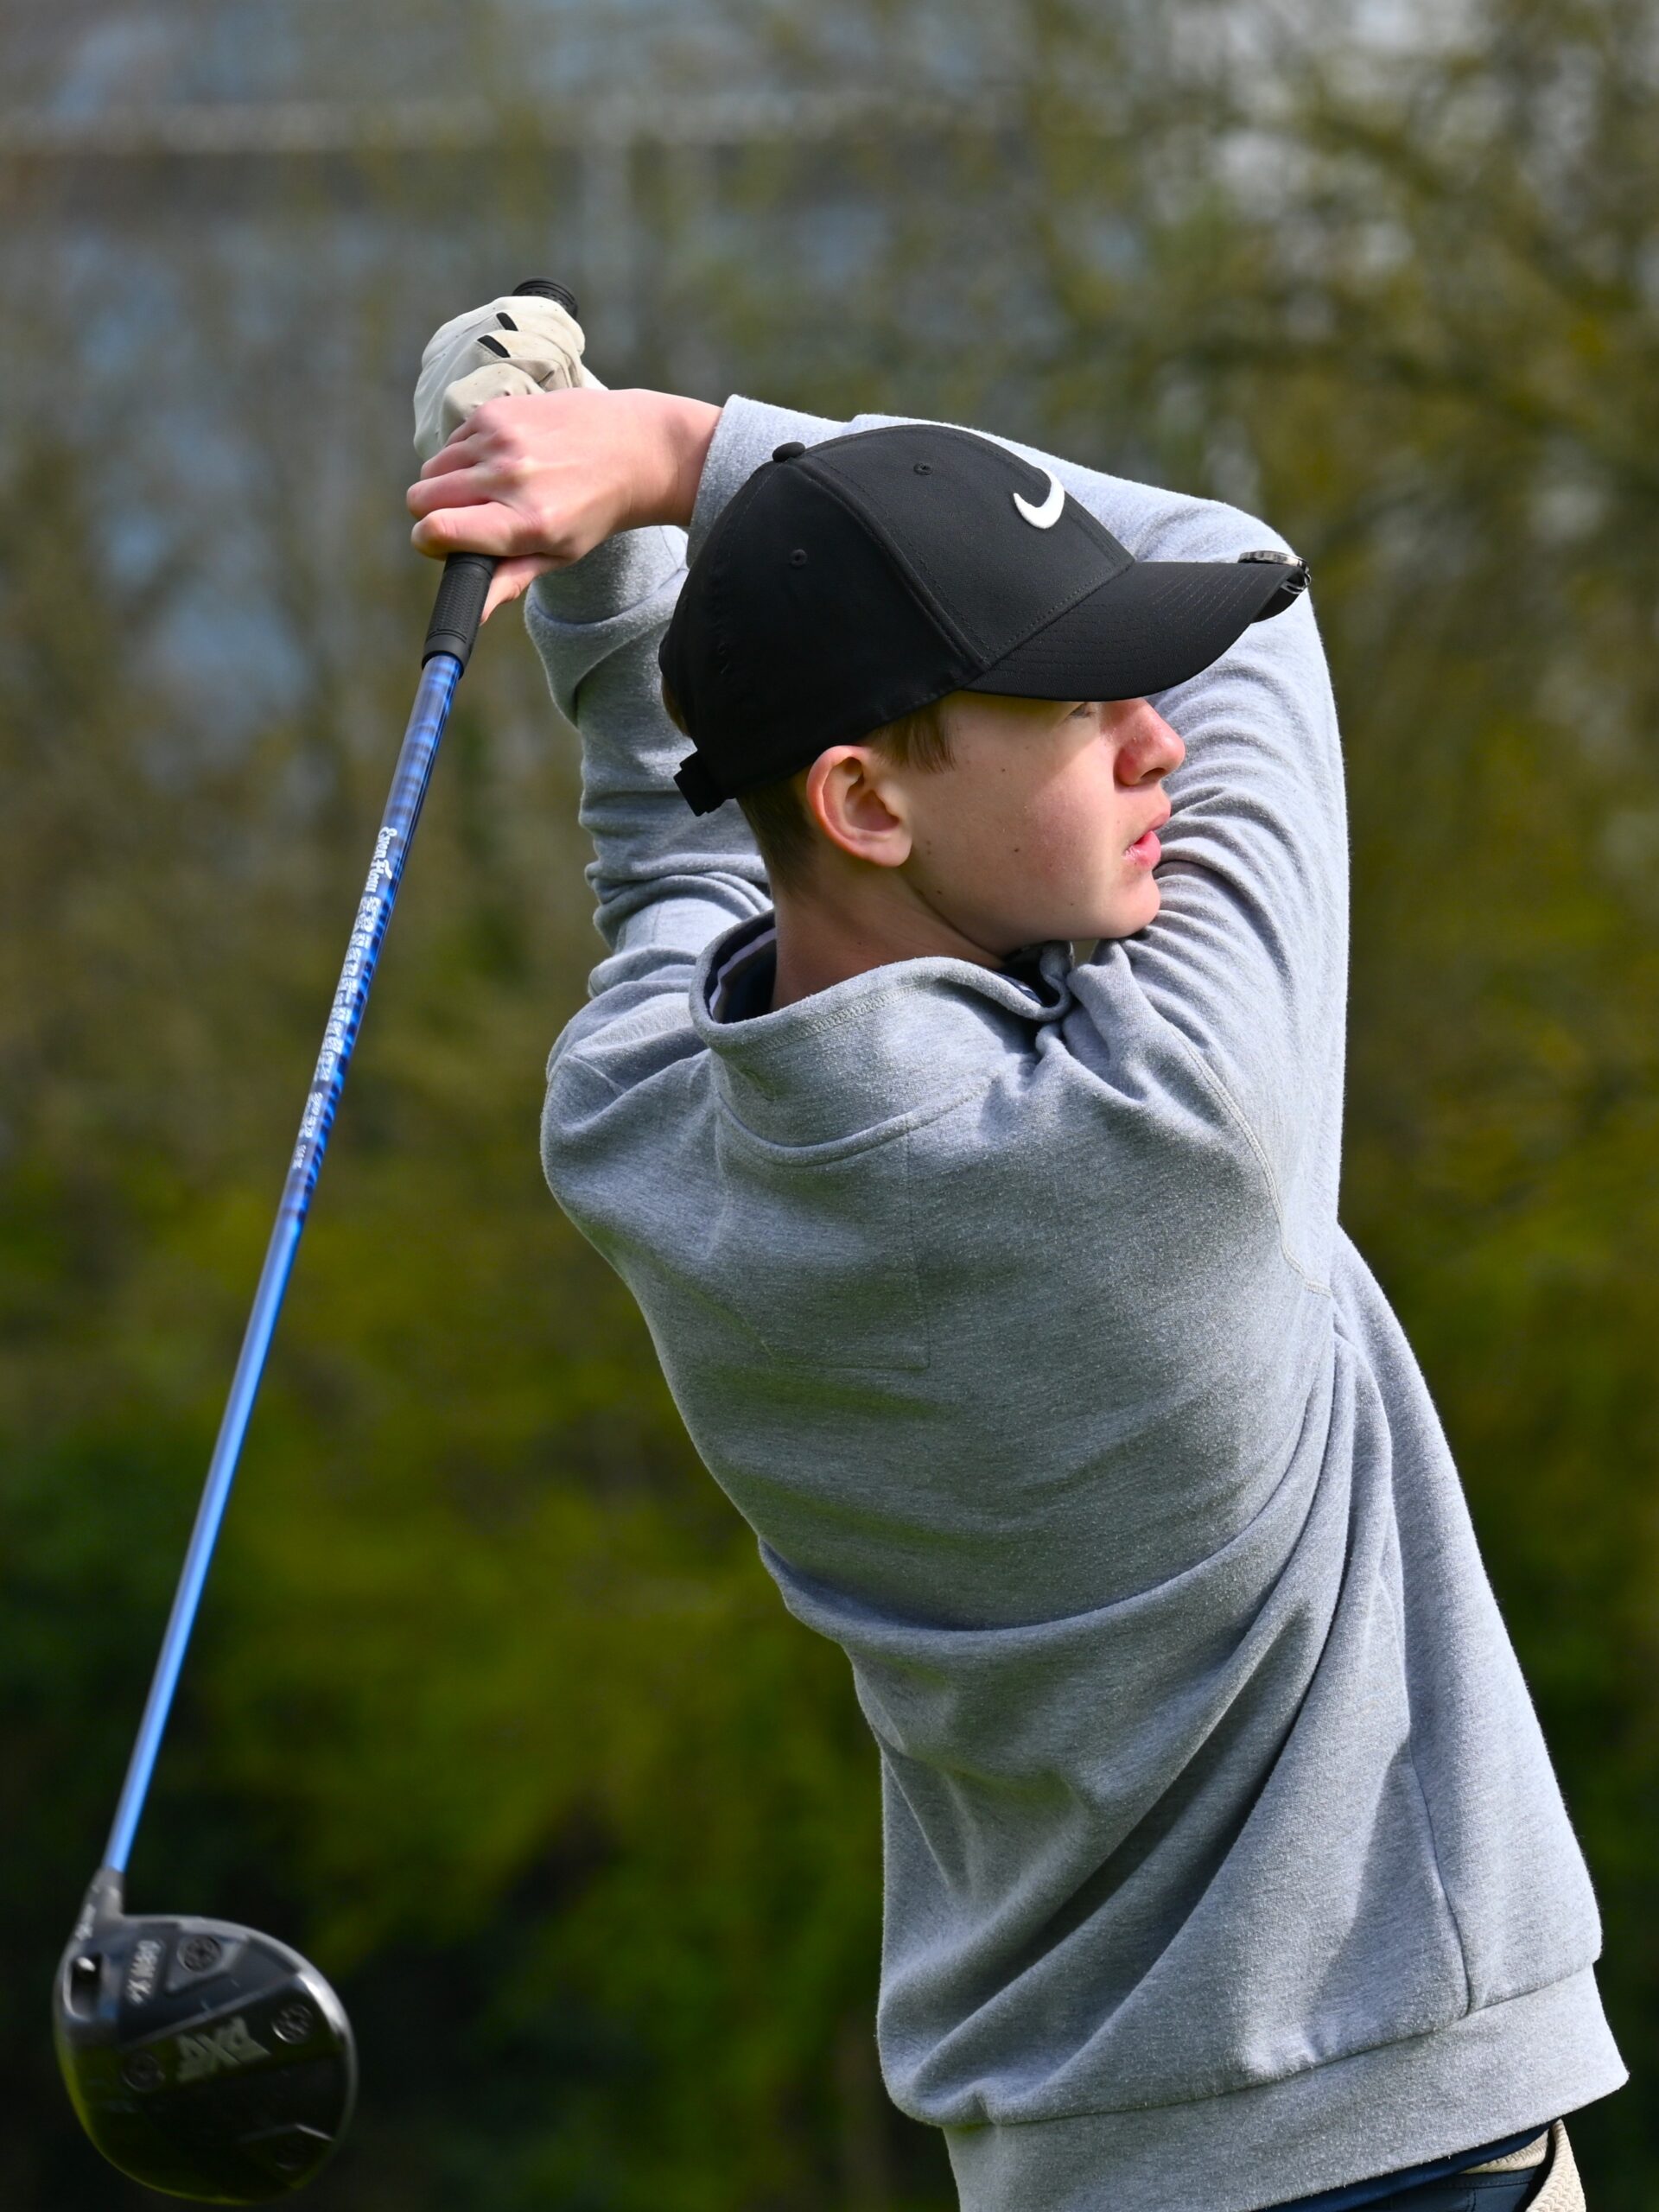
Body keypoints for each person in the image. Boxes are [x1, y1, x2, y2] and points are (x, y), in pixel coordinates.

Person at [405, 296, 1624, 2212]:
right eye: (1072, 709)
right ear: (866, 798)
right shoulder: (1172, 1118)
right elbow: (1245, 583)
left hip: (1056, 2162)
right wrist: (680, 455)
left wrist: (605, 552)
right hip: (1404, 2137)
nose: (1156, 742)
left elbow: (684, 857)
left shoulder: (641, 1129)